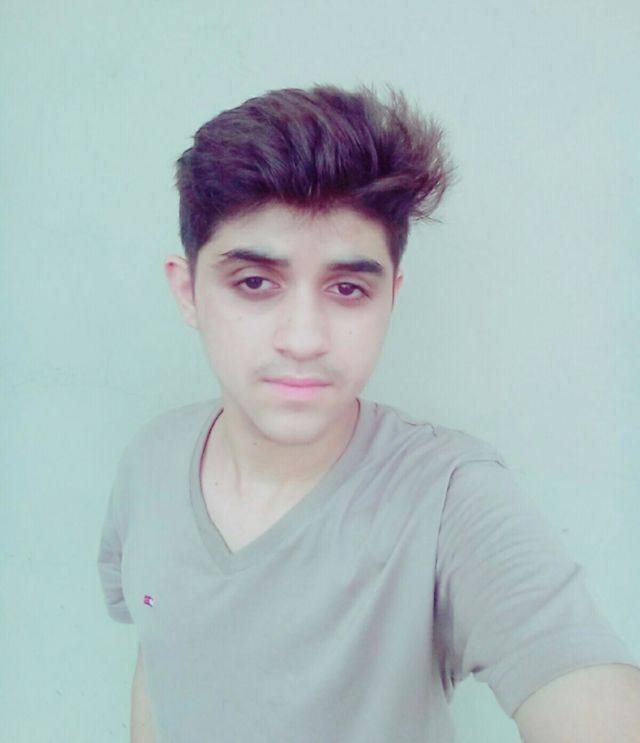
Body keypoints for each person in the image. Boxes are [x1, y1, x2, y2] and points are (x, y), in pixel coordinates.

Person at [97, 84, 640, 743]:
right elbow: (158, 658)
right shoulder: (149, 461)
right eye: (254, 283)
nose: (303, 338)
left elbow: (578, 679)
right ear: (187, 290)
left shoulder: (449, 496)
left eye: (348, 288)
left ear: (390, 297)